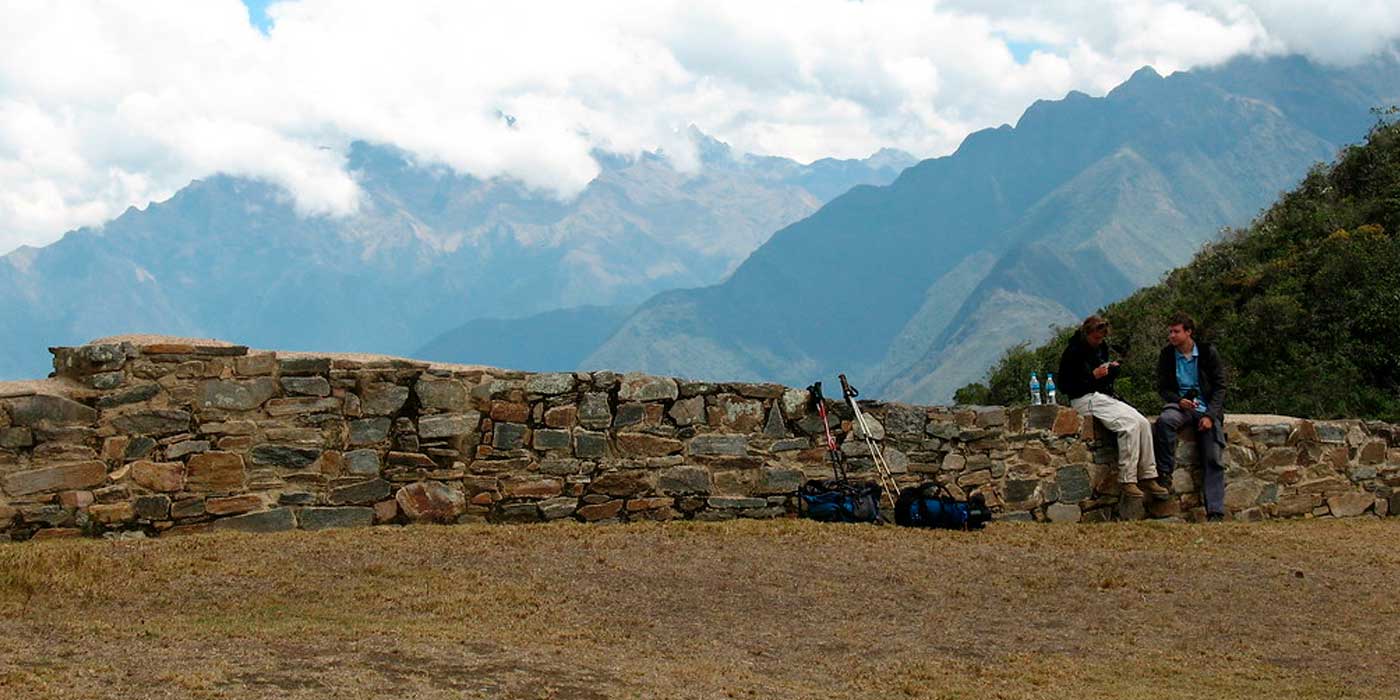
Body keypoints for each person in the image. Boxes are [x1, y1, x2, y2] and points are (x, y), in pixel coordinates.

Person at [1057, 315, 1169, 500]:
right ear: (1087, 334)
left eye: (1101, 338)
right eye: (1096, 337)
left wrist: (1111, 372)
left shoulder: (1100, 349)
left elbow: (1103, 382)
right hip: (1084, 398)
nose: (1098, 341)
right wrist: (1093, 376)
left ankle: (1149, 475)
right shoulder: (1073, 352)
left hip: (1103, 396)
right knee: (1128, 425)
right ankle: (1127, 479)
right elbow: (1067, 386)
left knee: (1142, 422)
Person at [1152, 313, 1228, 521]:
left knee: (1212, 456)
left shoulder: (1207, 353)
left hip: (1205, 409)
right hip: (1181, 406)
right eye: (1170, 331)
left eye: (1176, 331)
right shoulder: (1167, 355)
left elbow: (1220, 387)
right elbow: (1163, 387)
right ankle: (1165, 472)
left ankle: (1215, 510)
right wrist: (1178, 400)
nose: (1172, 336)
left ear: (1188, 332)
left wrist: (1211, 416)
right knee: (1165, 421)